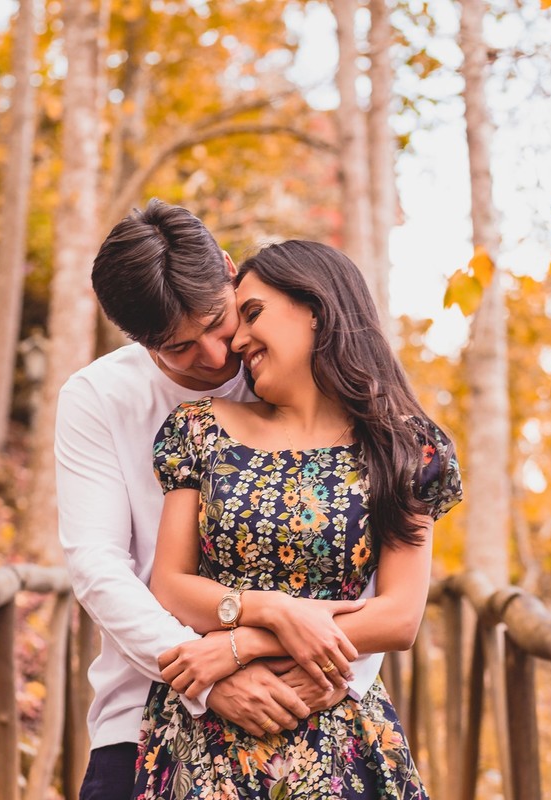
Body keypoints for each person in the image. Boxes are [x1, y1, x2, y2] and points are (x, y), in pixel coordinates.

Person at [57, 202, 382, 800]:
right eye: (178, 347)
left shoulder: (299, 371)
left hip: (313, 696)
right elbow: (98, 565)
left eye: (216, 321)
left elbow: (363, 549)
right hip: (144, 706)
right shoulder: (98, 397)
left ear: (230, 271)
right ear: (136, 339)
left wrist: (334, 672)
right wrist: (205, 679)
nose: (212, 355)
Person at [133, 240, 462, 798]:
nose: (237, 339)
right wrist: (277, 613)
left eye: (253, 313)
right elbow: (169, 584)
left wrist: (247, 644)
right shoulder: (198, 429)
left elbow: (400, 617)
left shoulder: (406, 446)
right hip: (207, 737)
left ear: (317, 307)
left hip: (339, 734)